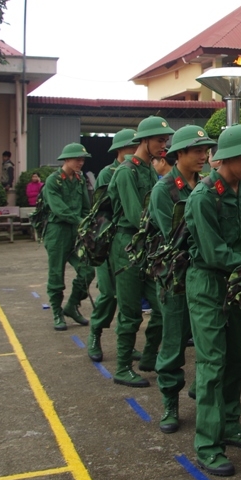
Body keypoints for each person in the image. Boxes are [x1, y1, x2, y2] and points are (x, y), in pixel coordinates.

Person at [184, 123, 241, 477]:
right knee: (212, 365)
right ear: (228, 159)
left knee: (235, 358)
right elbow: (213, 251)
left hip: (235, 283)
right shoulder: (203, 196)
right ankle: (207, 443)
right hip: (208, 284)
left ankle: (230, 424)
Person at [151, 125, 216, 435]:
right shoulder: (164, 190)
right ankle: (169, 403)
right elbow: (173, 236)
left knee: (206, 344)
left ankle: (199, 393)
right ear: (180, 154)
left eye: (206, 150)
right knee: (174, 344)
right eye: (197, 151)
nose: (204, 155)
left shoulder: (204, 184)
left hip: (202, 275)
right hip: (176, 277)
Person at [108, 115, 174, 387]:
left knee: (160, 307)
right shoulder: (126, 171)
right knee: (130, 311)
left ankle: (148, 357)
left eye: (166, 140)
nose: (164, 145)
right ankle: (122, 367)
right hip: (127, 246)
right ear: (144, 140)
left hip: (146, 246)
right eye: (160, 140)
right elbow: (137, 215)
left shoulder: (149, 170)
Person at [86, 128, 138, 362]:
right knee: (108, 293)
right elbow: (103, 212)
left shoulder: (139, 169)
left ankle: (126, 344)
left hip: (128, 243)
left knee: (128, 298)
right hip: (108, 241)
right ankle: (95, 333)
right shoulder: (108, 174)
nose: (135, 150)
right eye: (130, 147)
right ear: (119, 150)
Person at [41, 143, 92, 331]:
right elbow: (58, 209)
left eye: (83, 159)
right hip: (57, 232)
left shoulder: (79, 180)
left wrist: (88, 222)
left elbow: (86, 205)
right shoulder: (53, 181)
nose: (81, 162)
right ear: (67, 159)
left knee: (87, 270)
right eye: (78, 159)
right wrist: (79, 220)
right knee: (56, 275)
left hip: (76, 231)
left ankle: (71, 306)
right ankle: (57, 312)